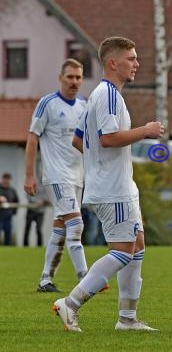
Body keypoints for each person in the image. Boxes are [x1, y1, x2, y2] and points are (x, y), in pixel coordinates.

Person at [52, 36, 163, 332]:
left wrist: (96, 163)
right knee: (124, 250)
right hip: (113, 189)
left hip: (115, 185)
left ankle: (127, 319)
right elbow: (108, 138)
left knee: (136, 246)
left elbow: (79, 140)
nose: (136, 63)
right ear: (113, 63)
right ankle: (71, 303)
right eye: (131, 58)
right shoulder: (109, 95)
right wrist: (146, 130)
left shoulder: (97, 96)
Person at [24, 59, 89, 291]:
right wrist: (29, 176)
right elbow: (32, 139)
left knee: (60, 228)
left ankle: (45, 279)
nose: (74, 82)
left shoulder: (84, 104)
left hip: (77, 176)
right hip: (56, 175)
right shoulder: (47, 104)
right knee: (76, 224)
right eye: (70, 77)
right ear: (60, 77)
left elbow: (88, 142)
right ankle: (86, 278)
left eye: (78, 77)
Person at [0, 173, 19, 246]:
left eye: (8, 180)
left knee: (8, 236)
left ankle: (8, 249)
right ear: (2, 179)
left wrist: (13, 213)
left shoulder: (12, 190)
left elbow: (17, 202)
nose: (6, 181)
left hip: (8, 217)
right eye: (5, 179)